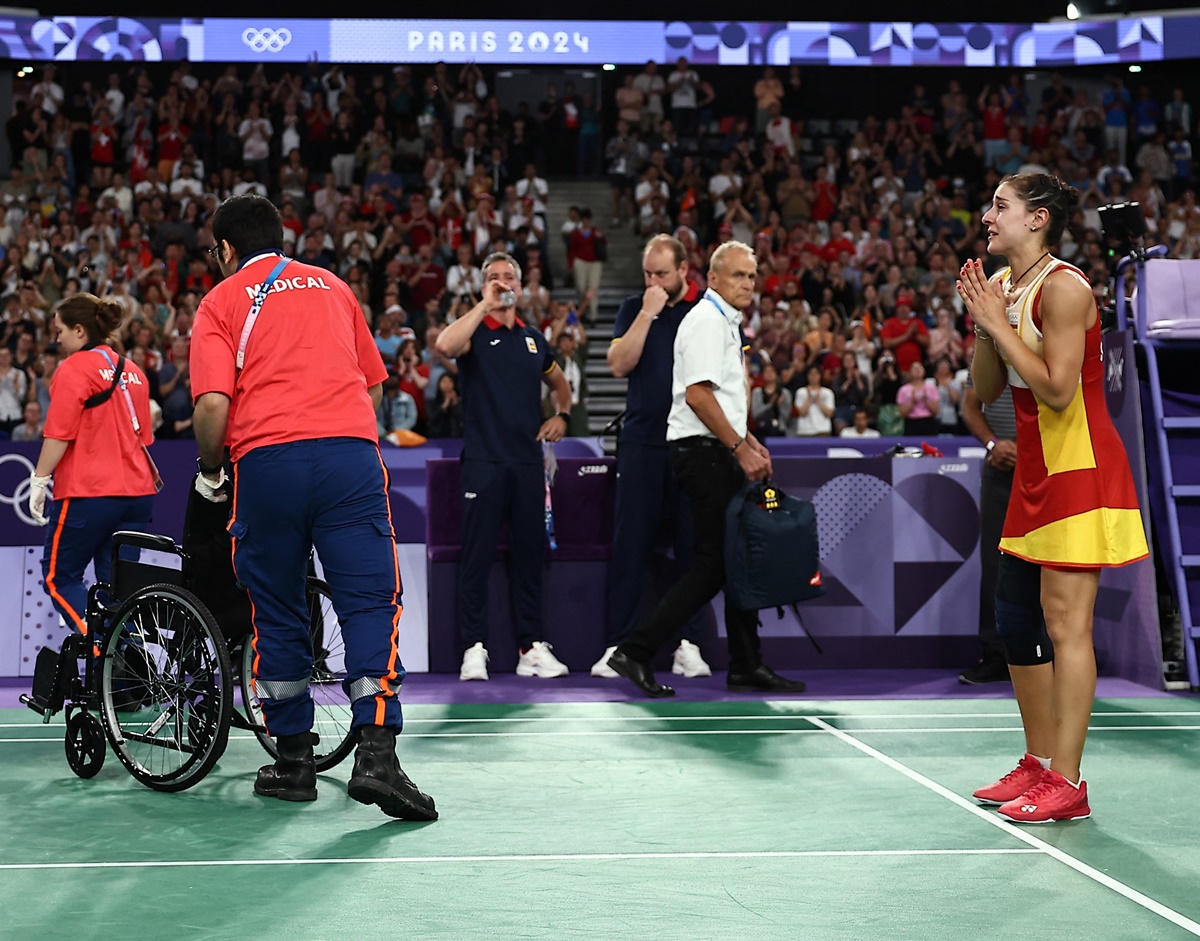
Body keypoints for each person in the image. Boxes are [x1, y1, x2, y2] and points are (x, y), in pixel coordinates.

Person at [190, 194, 436, 821]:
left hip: (267, 464)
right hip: (348, 458)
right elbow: (375, 384)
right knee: (368, 599)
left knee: (276, 607)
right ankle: (377, 755)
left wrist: (213, 470)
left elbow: (213, 407)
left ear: (225, 249)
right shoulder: (333, 286)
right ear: (282, 236)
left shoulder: (219, 303)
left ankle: (294, 761)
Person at [957, 172, 1148, 823]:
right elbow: (986, 390)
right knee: (1013, 616)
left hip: (1080, 469)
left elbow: (1059, 389)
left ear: (1038, 218)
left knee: (1067, 626)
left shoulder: (1065, 288)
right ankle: (1038, 763)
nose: (989, 216)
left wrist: (998, 321)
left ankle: (1069, 779)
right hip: (1034, 475)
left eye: (1000, 206)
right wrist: (986, 325)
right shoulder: (1006, 287)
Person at [608, 241, 807, 697]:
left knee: (735, 562)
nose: (748, 285)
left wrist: (749, 441)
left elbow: (723, 399)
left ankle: (745, 664)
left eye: (752, 276)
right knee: (713, 566)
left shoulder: (724, 323)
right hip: (703, 455)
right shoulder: (704, 321)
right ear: (712, 278)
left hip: (717, 448)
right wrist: (739, 447)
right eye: (739, 275)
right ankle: (635, 650)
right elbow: (697, 396)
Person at [434, 251, 574, 682]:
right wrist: (483, 305)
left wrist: (562, 415)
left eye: (507, 276)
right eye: (493, 277)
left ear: (520, 284)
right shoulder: (474, 332)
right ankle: (473, 647)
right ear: (483, 286)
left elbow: (559, 382)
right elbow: (444, 346)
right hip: (484, 462)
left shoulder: (534, 339)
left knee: (529, 558)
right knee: (476, 557)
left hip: (528, 462)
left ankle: (530, 647)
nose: (501, 282)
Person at [598, 234, 712, 681]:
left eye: (661, 273)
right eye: (648, 273)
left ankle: (689, 644)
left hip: (691, 442)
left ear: (685, 270)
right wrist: (648, 309)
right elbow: (618, 365)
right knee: (630, 547)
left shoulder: (706, 312)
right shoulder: (633, 308)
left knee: (692, 548)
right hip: (642, 442)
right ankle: (618, 645)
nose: (654, 281)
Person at [27, 294, 156, 637]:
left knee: (59, 577)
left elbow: (58, 435)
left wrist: (39, 480)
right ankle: (126, 676)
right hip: (138, 495)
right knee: (119, 591)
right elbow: (145, 436)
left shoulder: (72, 369)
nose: (56, 340)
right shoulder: (134, 371)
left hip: (90, 492)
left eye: (59, 331)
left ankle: (106, 650)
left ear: (80, 330)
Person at [958, 379, 1016, 685]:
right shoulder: (989, 341)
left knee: (1053, 564)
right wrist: (993, 443)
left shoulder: (1058, 337)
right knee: (997, 564)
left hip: (1051, 463)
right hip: (1002, 467)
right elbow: (969, 404)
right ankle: (996, 654)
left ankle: (1050, 652)